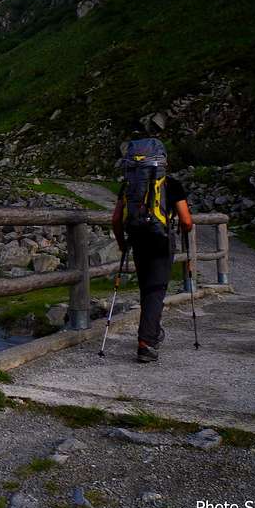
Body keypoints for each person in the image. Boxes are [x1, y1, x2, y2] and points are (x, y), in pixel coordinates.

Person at [111, 139, 193, 363]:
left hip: (137, 240)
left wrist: (121, 243)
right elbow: (186, 220)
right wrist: (184, 229)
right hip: (161, 241)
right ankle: (146, 342)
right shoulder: (172, 184)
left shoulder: (129, 184)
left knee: (147, 289)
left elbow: (116, 219)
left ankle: (153, 333)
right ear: (163, 162)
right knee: (156, 291)